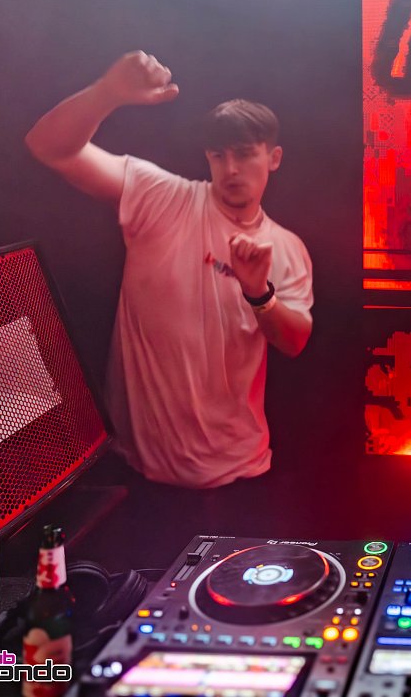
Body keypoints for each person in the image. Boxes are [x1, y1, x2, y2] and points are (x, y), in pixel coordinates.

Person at [25, 51, 313, 493]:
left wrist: (259, 294)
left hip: (238, 472)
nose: (231, 169)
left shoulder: (288, 247)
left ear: (273, 158)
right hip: (135, 472)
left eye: (245, 154)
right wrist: (106, 93)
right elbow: (48, 147)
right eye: (219, 155)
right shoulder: (161, 197)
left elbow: (294, 342)